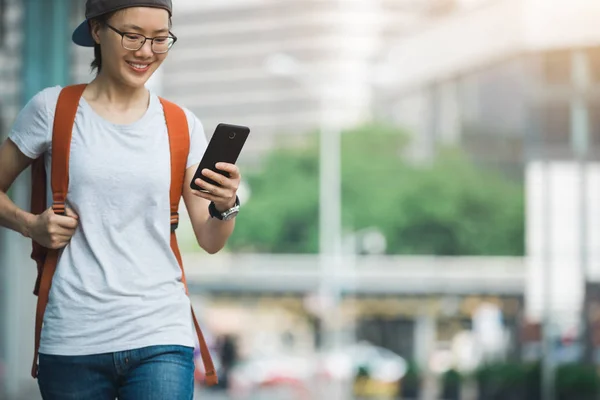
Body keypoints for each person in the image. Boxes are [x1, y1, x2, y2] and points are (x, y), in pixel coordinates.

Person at [0, 0, 243, 398]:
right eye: (132, 36)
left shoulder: (181, 124)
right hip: (73, 338)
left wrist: (225, 203)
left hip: (160, 333)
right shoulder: (53, 108)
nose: (146, 51)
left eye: (160, 39)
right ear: (97, 31)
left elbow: (211, 239)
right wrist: (31, 225)